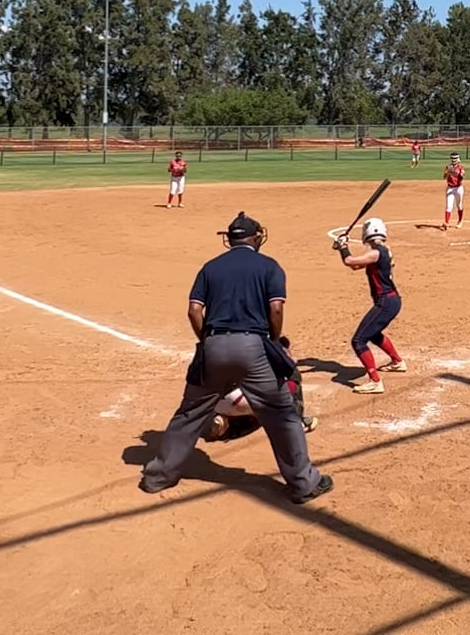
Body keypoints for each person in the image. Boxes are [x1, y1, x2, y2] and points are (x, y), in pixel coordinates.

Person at [140, 212, 332, 504]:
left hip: (213, 346)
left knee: (190, 412)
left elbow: (194, 310)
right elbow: (276, 309)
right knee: (282, 414)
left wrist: (207, 340)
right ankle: (304, 483)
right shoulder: (269, 266)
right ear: (256, 237)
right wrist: (273, 341)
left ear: (229, 239)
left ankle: (157, 477)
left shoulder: (210, 267)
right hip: (253, 346)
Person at [334, 218, 406, 395]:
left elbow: (350, 261)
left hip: (386, 303)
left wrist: (343, 247)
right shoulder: (384, 251)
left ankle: (375, 382)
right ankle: (397, 362)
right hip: (391, 300)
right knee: (373, 334)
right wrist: (342, 248)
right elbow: (355, 266)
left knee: (358, 340)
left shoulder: (376, 253)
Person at [204, 336, 317, 441]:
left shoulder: (225, 339)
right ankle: (297, 424)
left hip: (215, 400)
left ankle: (222, 426)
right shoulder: (269, 343)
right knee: (292, 377)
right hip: (244, 397)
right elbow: (287, 367)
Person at [442, 154, 465, 230]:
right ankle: (446, 223)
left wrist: (459, 173)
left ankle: (460, 221)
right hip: (450, 188)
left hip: (458, 188)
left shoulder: (460, 167)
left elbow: (462, 176)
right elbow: (444, 177)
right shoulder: (448, 167)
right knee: (449, 206)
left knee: (459, 205)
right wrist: (448, 173)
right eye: (452, 158)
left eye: (455, 158)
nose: (453, 160)